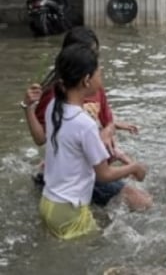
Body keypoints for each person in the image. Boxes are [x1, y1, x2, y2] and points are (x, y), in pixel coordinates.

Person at [23, 27, 151, 211]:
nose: (98, 65)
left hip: (79, 175)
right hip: (79, 179)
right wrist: (132, 167)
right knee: (142, 202)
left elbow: (106, 121)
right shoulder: (55, 100)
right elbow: (45, 137)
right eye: (92, 59)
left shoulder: (88, 94)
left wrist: (112, 138)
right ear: (83, 75)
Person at [40, 44, 148, 240]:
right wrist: (134, 167)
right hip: (68, 210)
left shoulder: (53, 108)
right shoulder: (84, 123)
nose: (102, 73)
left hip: (49, 202)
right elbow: (105, 174)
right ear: (86, 80)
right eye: (99, 70)